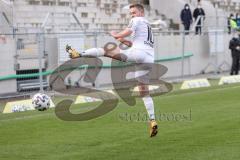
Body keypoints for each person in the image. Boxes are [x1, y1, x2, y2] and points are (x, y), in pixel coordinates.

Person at [66, 4, 158, 137]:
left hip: (139, 54)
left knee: (105, 51)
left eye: (134, 12)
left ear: (141, 12)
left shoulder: (137, 20)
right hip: (148, 58)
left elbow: (128, 31)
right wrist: (123, 41)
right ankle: (153, 121)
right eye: (131, 13)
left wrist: (116, 34)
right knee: (144, 92)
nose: (132, 15)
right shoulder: (148, 25)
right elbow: (136, 44)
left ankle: (78, 54)